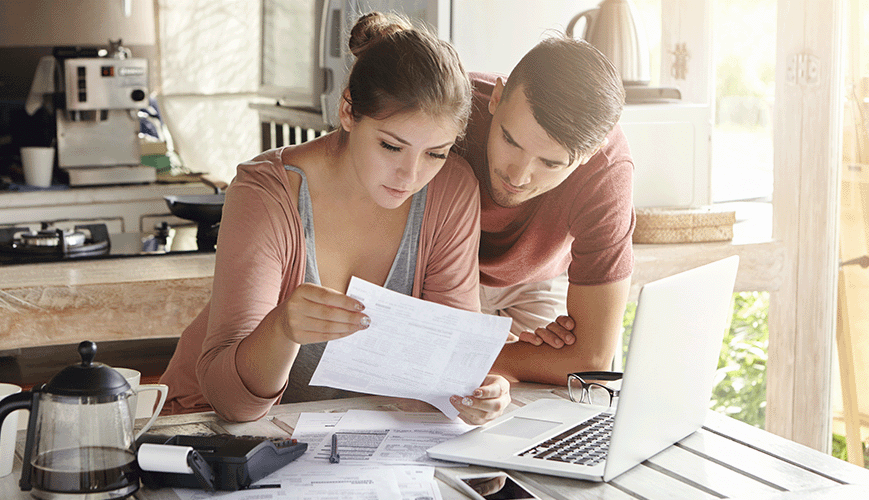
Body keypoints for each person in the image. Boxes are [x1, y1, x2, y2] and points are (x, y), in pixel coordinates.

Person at [159, 12, 510, 425]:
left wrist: (476, 392)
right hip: (212, 430)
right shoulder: (266, 193)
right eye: (391, 146)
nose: (411, 176)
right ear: (348, 111)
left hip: (344, 440)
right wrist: (282, 329)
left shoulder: (451, 189)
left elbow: (444, 368)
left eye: (435, 153)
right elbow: (232, 405)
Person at [454, 37, 635, 386]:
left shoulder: (607, 171)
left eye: (550, 163)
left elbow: (591, 362)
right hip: (440, 272)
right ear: (496, 97)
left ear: (589, 154)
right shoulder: (450, 106)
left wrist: (475, 354)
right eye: (510, 140)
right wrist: (498, 355)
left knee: (550, 404)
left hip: (535, 279)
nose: (517, 176)